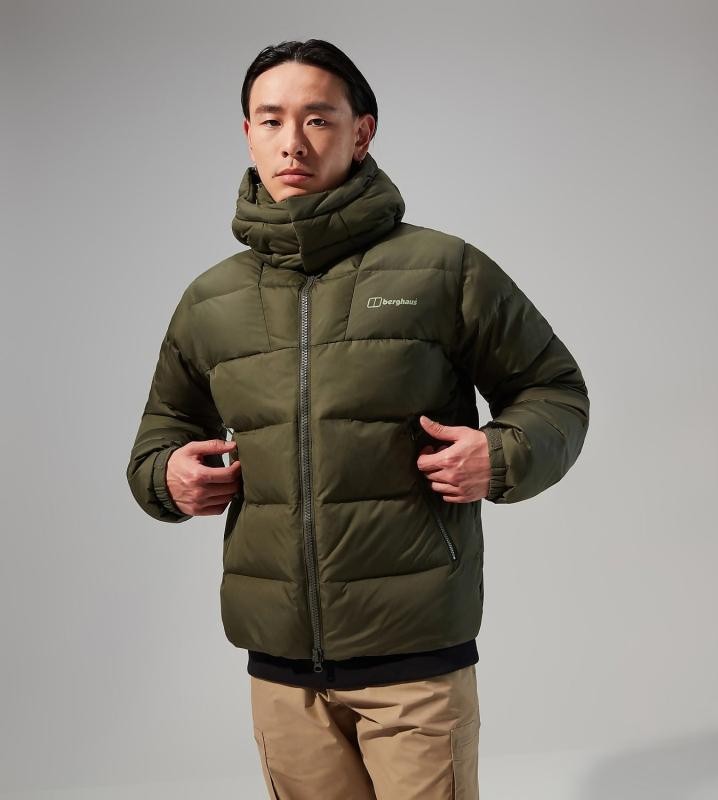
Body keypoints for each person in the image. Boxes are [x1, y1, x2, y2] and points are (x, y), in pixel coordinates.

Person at [126, 38, 590, 800]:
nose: (292, 142)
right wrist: (167, 477)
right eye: (271, 120)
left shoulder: (444, 270)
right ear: (247, 133)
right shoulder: (211, 302)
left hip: (417, 664)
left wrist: (501, 455)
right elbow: (158, 438)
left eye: (317, 119)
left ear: (362, 132)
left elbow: (555, 391)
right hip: (282, 678)